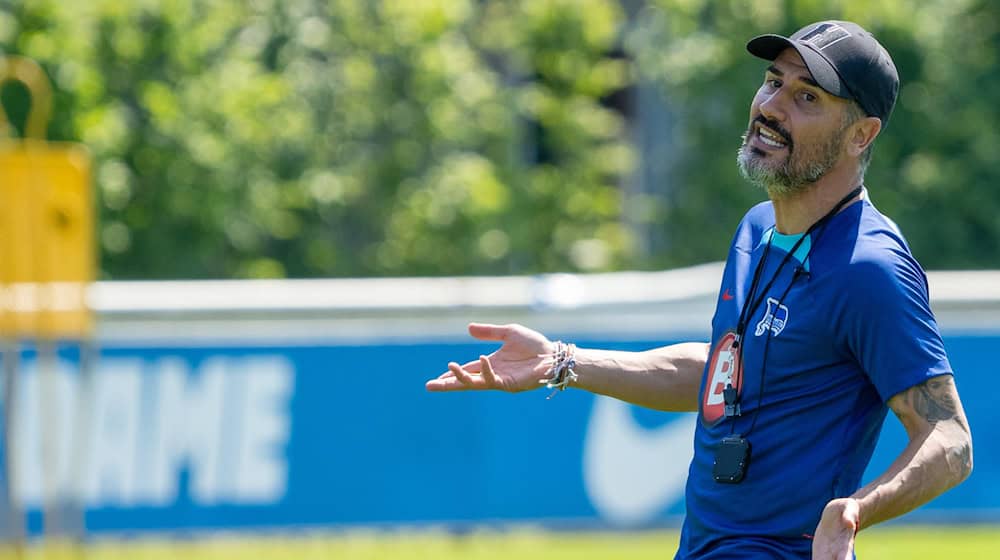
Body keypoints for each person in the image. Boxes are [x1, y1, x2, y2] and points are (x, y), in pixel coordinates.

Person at [426, 20, 972, 560]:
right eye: (773, 81)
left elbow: (950, 440)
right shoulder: (758, 229)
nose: (772, 106)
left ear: (861, 134)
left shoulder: (869, 266)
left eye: (807, 96)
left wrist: (858, 508)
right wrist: (563, 362)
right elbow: (725, 371)